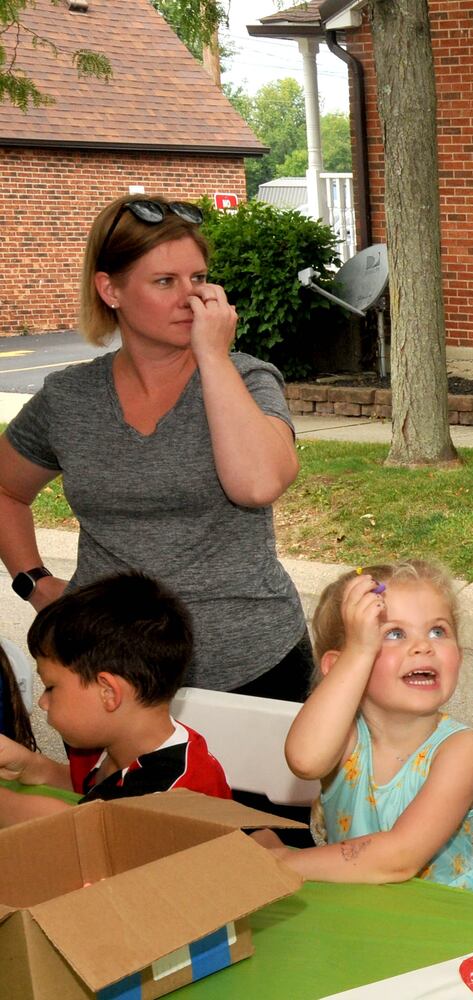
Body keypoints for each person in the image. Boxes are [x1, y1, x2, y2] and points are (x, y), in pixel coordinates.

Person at [0, 194, 310, 703]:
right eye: (165, 281)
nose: (191, 298)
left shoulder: (247, 378)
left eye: (198, 278)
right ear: (111, 290)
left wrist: (213, 357)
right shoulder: (69, 398)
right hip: (107, 678)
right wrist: (33, 582)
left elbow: (258, 484)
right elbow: (6, 490)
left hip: (252, 668)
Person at [256, 560, 473, 901]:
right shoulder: (346, 738)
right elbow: (305, 760)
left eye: (438, 631)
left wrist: (283, 861)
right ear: (342, 665)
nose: (423, 646)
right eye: (394, 634)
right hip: (364, 911)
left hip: (449, 917)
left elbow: (399, 857)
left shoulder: (462, 750)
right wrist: (360, 651)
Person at [0, 572, 231, 826]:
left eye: (51, 687)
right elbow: (94, 794)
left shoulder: (179, 788)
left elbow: (81, 827)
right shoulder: (109, 744)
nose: (43, 702)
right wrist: (31, 766)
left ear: (108, 692)